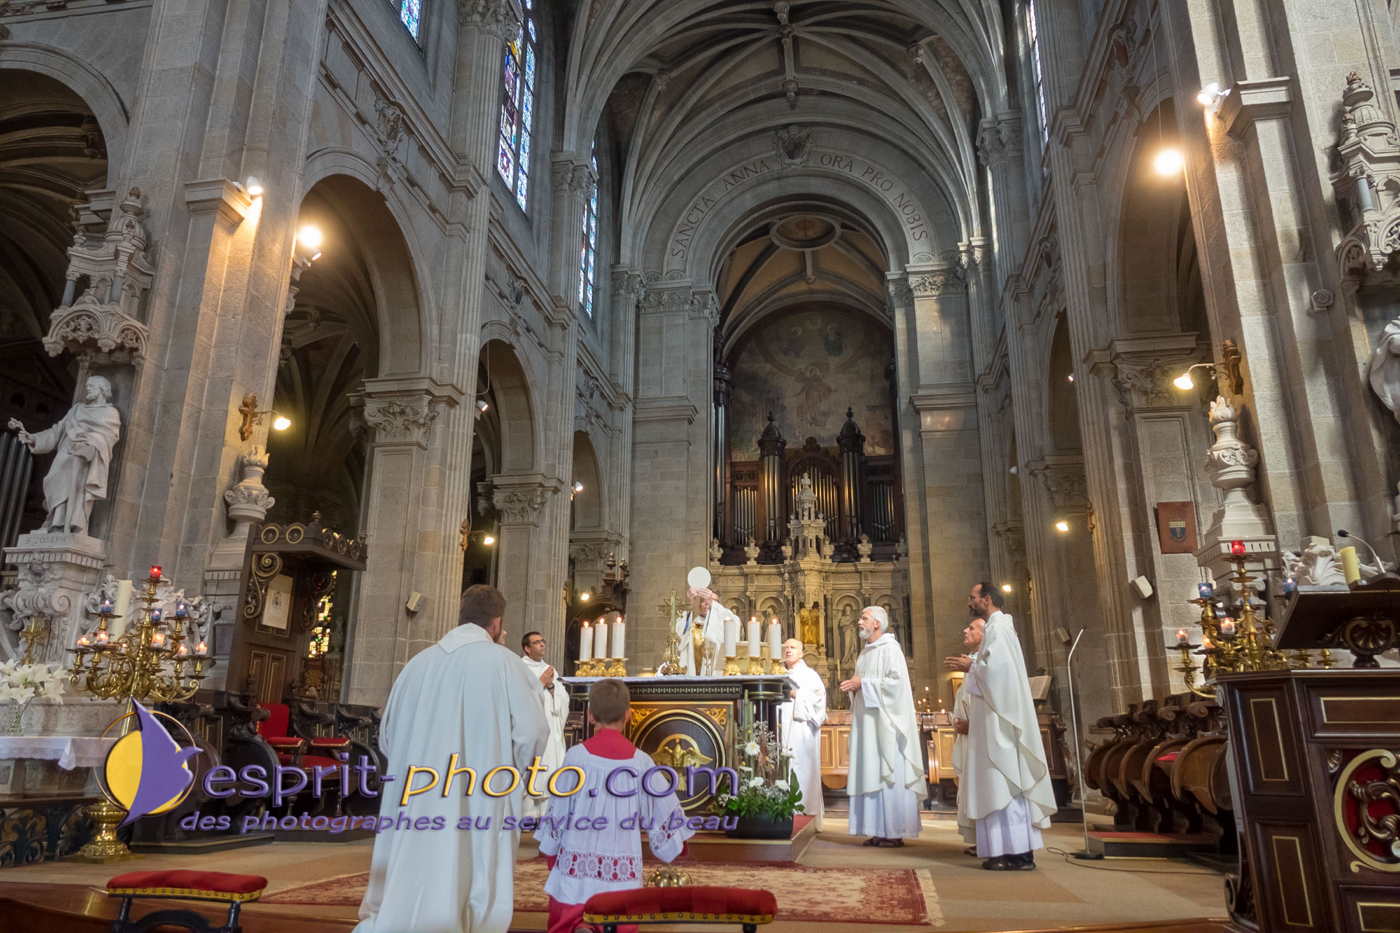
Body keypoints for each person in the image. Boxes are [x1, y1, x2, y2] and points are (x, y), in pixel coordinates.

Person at [355, 585, 549, 933]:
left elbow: (387, 736)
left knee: (415, 862)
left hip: (416, 790)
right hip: (480, 792)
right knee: (472, 868)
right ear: (496, 623)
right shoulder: (505, 664)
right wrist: (512, 775)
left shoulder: (416, 665)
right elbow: (532, 733)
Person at [537, 679, 694, 933]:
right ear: (628, 715)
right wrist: (675, 845)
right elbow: (665, 814)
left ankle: (580, 924)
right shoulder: (641, 763)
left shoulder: (576, 757)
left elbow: (558, 815)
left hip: (575, 879)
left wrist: (552, 852)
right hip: (620, 882)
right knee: (620, 917)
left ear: (590, 715)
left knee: (568, 900)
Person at [956, 582, 1056, 871]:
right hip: (991, 720)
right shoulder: (997, 629)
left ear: (987, 599)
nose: (970, 602)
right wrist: (975, 668)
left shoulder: (999, 629)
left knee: (1004, 784)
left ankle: (1016, 853)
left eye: (973, 597)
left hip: (999, 724)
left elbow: (998, 675)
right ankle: (1006, 852)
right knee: (997, 785)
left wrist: (971, 667)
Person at [839, 605, 924, 846]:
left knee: (888, 773)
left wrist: (863, 683)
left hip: (887, 726)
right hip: (868, 724)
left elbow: (896, 685)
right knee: (872, 771)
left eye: (863, 618)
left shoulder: (890, 649)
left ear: (877, 623)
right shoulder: (866, 652)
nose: (859, 622)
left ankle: (894, 831)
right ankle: (878, 829)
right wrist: (857, 686)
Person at [8, 374, 121, 535]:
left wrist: (90, 443)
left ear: (102, 389)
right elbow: (57, 431)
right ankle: (53, 521)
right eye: (86, 386)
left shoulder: (110, 413)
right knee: (54, 481)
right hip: (64, 454)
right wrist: (33, 438)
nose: (87, 389)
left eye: (91, 386)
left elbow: (108, 437)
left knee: (74, 490)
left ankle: (64, 526)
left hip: (83, 458)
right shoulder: (77, 409)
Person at [944, 615, 986, 855]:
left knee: (983, 789)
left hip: (983, 739)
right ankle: (982, 839)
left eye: (971, 628)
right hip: (971, 736)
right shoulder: (975, 662)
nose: (965, 630)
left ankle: (989, 841)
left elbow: (994, 702)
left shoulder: (985, 663)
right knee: (973, 788)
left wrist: (974, 724)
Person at [779, 637, 827, 830]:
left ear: (801, 652)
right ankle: (780, 811)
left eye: (792, 647)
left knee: (800, 767)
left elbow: (818, 702)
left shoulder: (810, 675)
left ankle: (803, 812)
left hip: (800, 730)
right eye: (785, 647)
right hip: (780, 728)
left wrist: (796, 694)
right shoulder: (777, 673)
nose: (788, 650)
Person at [521, 630, 570, 817]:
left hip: (552, 727)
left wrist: (551, 686)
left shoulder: (550, 669)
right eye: (536, 642)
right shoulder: (520, 668)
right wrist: (540, 683)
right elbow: (519, 698)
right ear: (527, 648)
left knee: (551, 768)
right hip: (534, 728)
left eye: (543, 641)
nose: (542, 644)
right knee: (535, 768)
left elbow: (563, 698)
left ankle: (549, 814)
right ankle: (529, 815)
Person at [673, 585, 737, 676]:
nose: (705, 604)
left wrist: (714, 604)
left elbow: (733, 623)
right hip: (691, 674)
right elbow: (678, 641)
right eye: (701, 601)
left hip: (715, 675)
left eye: (709, 601)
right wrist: (692, 603)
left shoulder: (722, 617)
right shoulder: (688, 619)